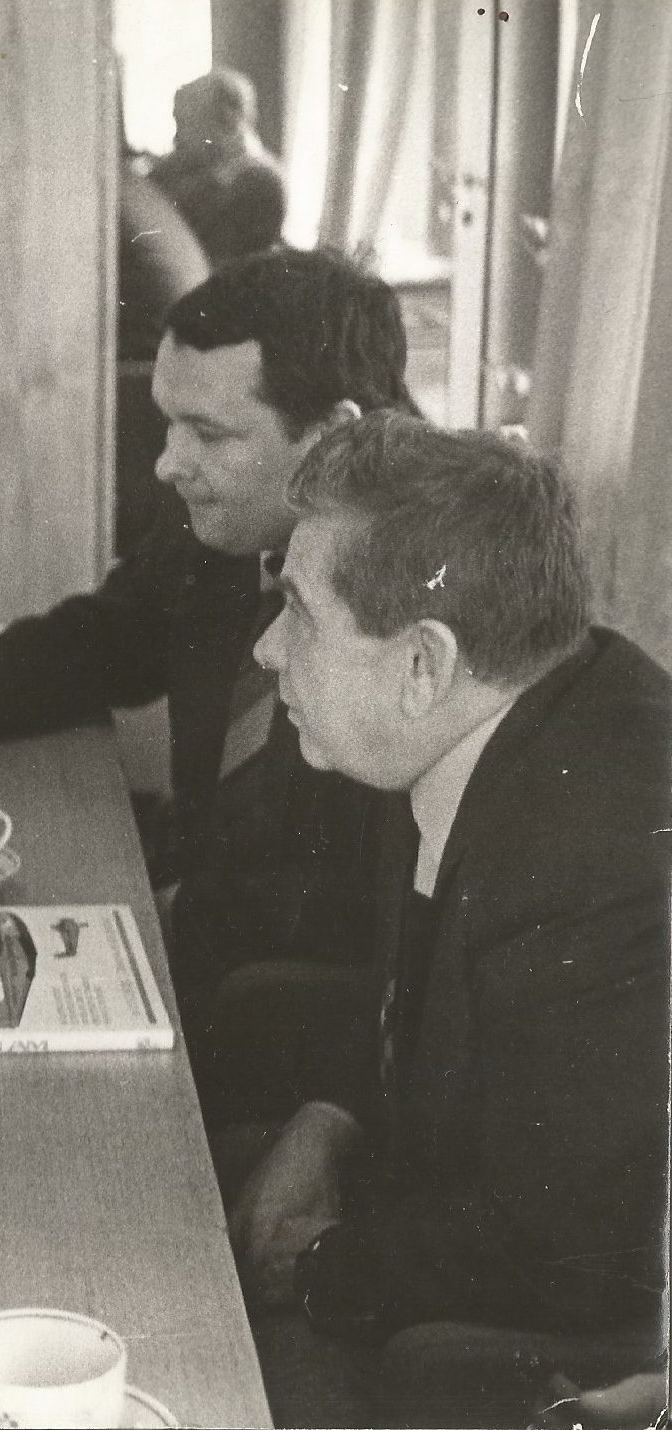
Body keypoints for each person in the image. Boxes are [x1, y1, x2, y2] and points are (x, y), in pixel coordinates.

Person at [0, 248, 415, 1051]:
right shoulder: (239, 520)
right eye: (169, 423)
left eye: (209, 434)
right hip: (179, 936)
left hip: (298, 1034)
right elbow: (109, 635)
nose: (167, 463)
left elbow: (385, 939)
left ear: (333, 437)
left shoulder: (429, 602)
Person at [232, 415, 668, 1423]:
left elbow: (572, 1252)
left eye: (298, 613)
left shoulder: (600, 857)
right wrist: (330, 1118)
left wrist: (320, 1268)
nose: (265, 647)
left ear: (423, 665)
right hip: (447, 1206)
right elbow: (421, 993)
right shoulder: (486, 710)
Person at [150, 68, 287, 267]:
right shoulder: (191, 166)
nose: (177, 137)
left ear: (228, 121)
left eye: (186, 123)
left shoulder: (261, 182)